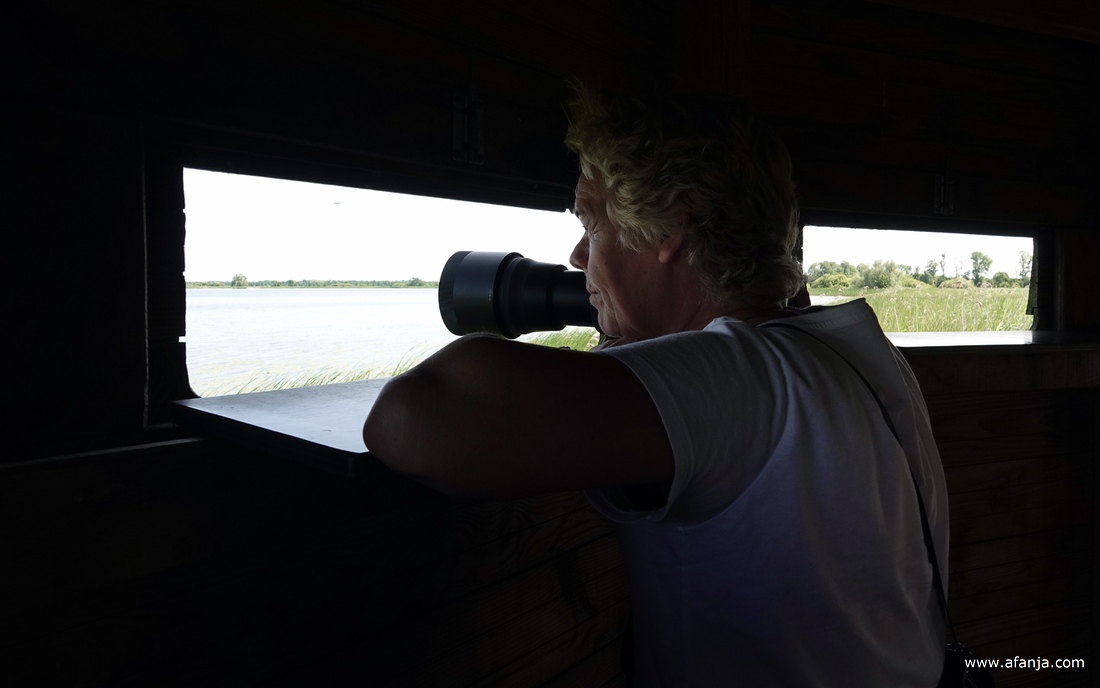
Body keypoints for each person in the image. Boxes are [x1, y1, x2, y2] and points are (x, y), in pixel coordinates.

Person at [363, 84, 949, 687]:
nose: (575, 254)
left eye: (591, 219)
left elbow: (412, 418)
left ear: (669, 226)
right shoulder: (854, 350)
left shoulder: (742, 381)